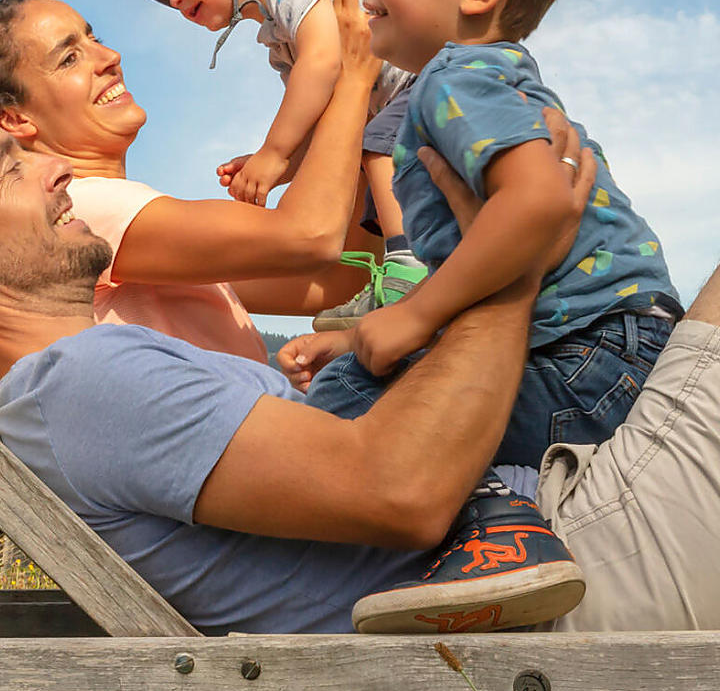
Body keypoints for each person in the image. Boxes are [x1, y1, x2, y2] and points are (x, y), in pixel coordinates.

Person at [0, 115, 718, 637]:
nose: (56, 169)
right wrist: (510, 261)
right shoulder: (82, 382)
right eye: (11, 168)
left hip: (557, 543)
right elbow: (404, 491)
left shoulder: (63, 396)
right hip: (575, 569)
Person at [295, 0, 682, 468]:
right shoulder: (491, 79)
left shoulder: (457, 77)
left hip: (587, 355)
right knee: (365, 379)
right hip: (610, 345)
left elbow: (537, 204)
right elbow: (491, 268)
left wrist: (415, 314)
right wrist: (355, 340)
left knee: (349, 408)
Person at [0, 0, 389, 356]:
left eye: (94, 38)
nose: (110, 57)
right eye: (69, 58)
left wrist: (364, 119)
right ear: (15, 119)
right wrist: (354, 80)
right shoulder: (76, 210)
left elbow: (340, 281)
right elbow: (309, 237)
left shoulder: (133, 237)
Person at [114, 0, 426, 324]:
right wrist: (285, 166)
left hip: (422, 80)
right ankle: (397, 270)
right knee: (367, 150)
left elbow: (325, 61)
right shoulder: (278, 39)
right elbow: (324, 115)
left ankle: (407, 271)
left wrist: (274, 151)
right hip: (394, 102)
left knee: (375, 148)